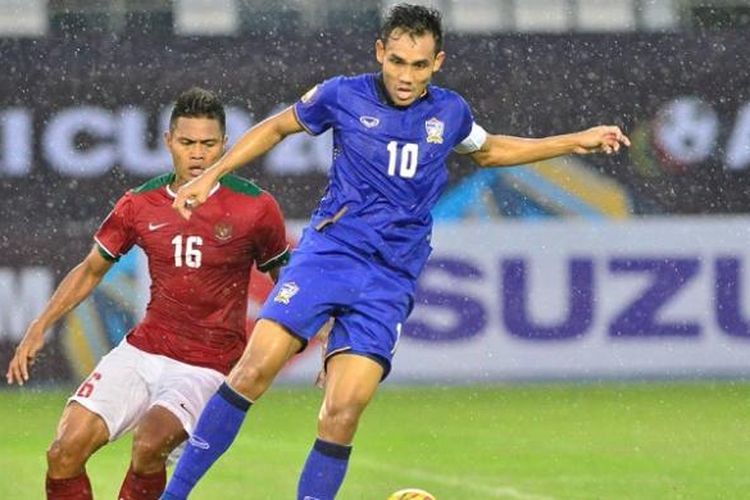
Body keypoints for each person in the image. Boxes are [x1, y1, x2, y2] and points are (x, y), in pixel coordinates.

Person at [162, 4, 631, 499]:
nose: (406, 76)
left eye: (419, 65)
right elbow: (277, 128)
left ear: (438, 63)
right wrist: (211, 176)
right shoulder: (342, 93)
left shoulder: (450, 112)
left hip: (390, 278)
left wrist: (574, 141)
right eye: (398, 61)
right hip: (332, 254)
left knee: (343, 410)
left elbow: (491, 150)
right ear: (380, 52)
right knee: (254, 368)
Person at [5, 87, 290, 500]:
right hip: (143, 349)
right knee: (63, 452)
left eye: (209, 144)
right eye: (187, 142)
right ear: (168, 142)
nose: (197, 154)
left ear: (226, 146)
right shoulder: (140, 203)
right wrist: (39, 326)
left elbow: (289, 284)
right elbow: (90, 271)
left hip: (208, 364)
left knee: (148, 445)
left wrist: (322, 339)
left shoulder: (255, 208)